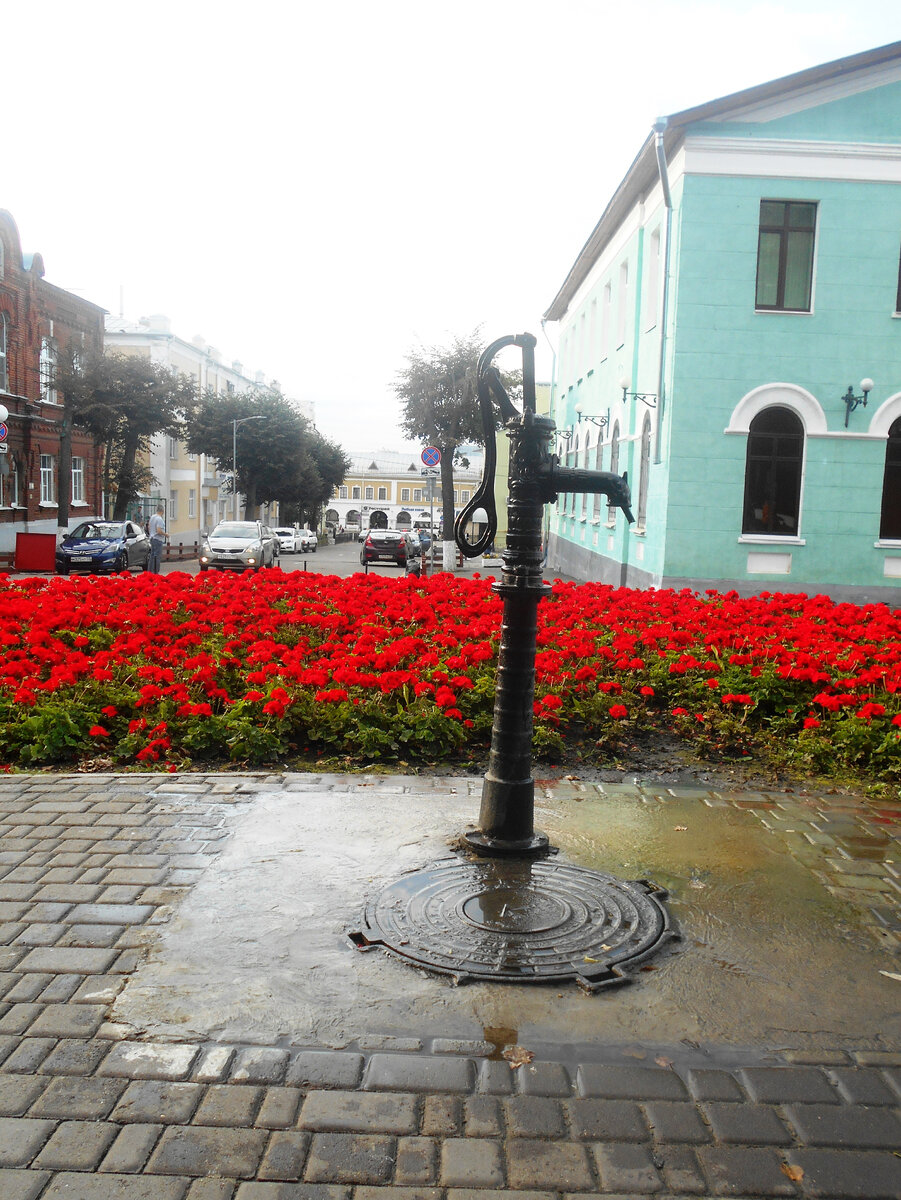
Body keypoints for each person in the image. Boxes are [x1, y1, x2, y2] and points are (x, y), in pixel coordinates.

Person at [147, 505, 168, 573]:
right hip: (157, 539)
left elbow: (149, 527)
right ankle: (155, 572)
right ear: (162, 511)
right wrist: (165, 534)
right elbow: (159, 530)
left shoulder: (152, 517)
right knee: (157, 557)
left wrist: (151, 533)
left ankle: (150, 571)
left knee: (152, 556)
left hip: (152, 538)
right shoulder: (159, 519)